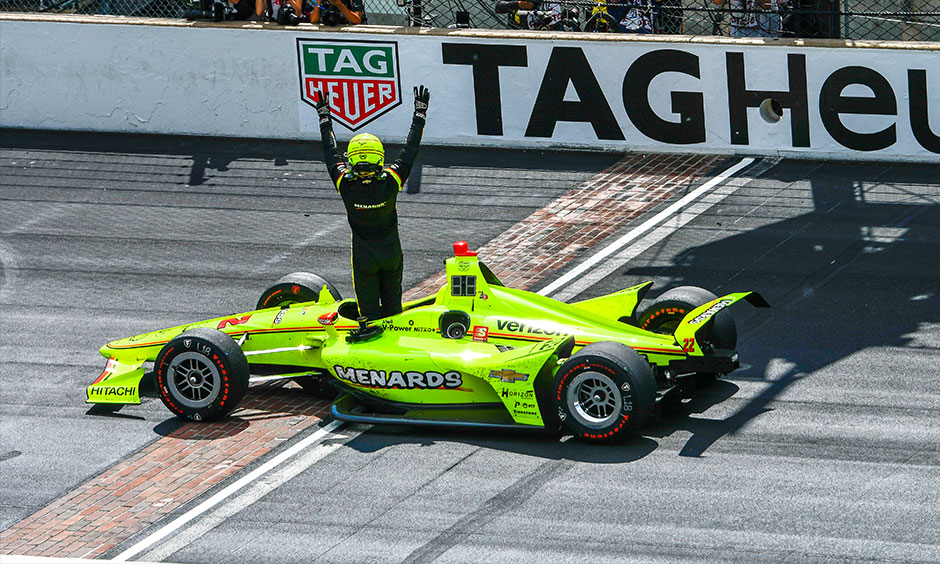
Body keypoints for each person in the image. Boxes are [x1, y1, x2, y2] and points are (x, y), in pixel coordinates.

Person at [313, 86, 430, 321]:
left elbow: (330, 153)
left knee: (368, 316)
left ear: (352, 159)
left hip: (364, 258)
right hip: (391, 254)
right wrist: (419, 115)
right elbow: (410, 150)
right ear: (379, 157)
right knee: (393, 312)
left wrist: (325, 119)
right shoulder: (391, 180)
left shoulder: (345, 184)